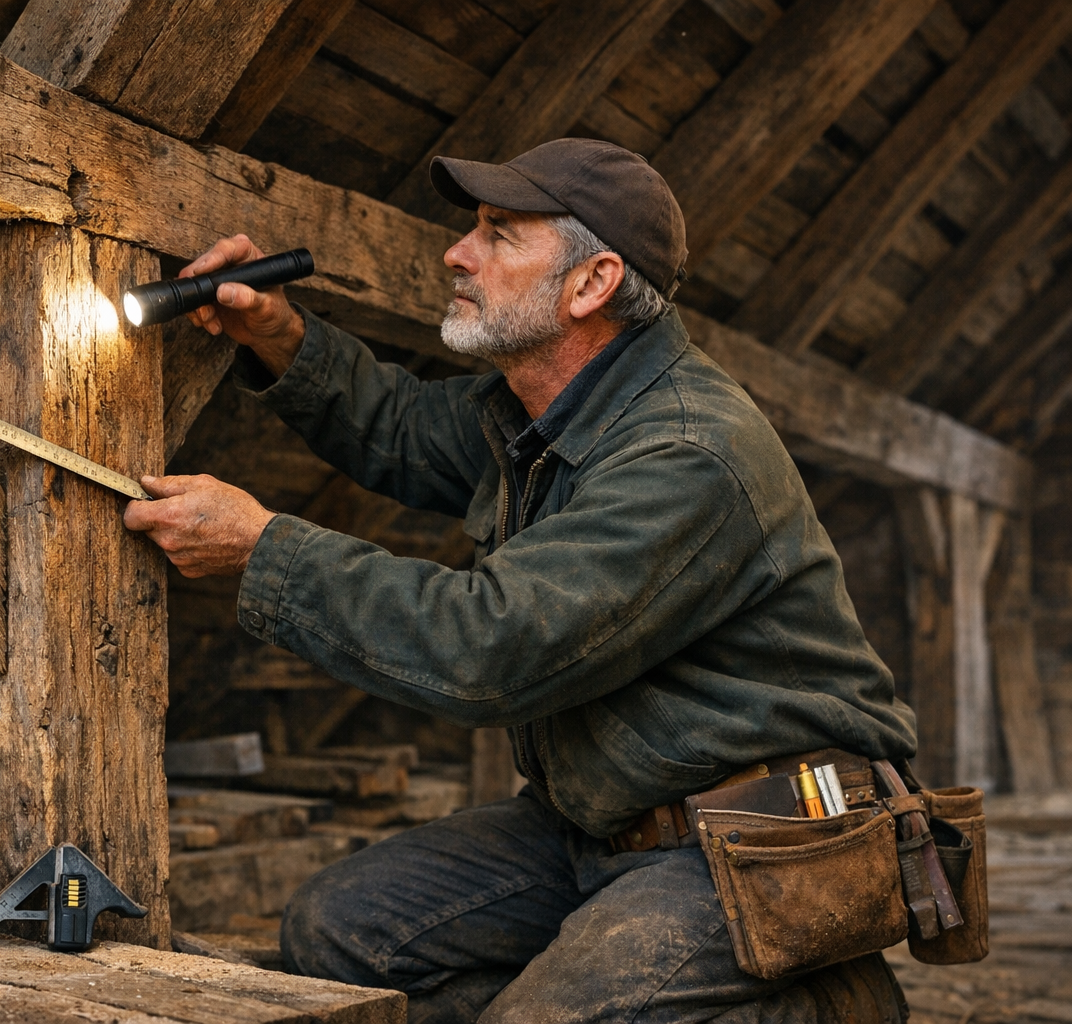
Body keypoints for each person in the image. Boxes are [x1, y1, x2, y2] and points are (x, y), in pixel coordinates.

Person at [123, 138, 918, 1023]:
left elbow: (492, 649)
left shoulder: (688, 452)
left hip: (758, 840)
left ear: (592, 284)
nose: (458, 253)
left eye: (500, 235)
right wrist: (278, 334)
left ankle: (824, 1005)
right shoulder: (543, 412)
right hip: (601, 822)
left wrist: (263, 549)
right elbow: (399, 427)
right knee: (339, 933)